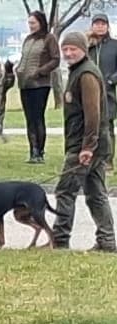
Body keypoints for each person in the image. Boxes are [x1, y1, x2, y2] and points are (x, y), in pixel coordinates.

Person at [51, 31, 116, 252]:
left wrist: (88, 147)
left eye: (73, 49)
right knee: (96, 194)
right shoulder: (77, 71)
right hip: (90, 144)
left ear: (83, 49)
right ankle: (107, 242)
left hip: (86, 146)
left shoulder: (86, 74)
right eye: (65, 49)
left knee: (65, 190)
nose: (68, 53)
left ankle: (59, 240)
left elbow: (93, 114)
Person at [15, 10, 60, 164]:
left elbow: (55, 60)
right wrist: (18, 69)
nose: (31, 26)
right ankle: (32, 150)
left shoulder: (49, 38)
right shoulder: (27, 39)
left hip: (40, 85)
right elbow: (24, 58)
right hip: (25, 84)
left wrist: (40, 72)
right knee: (29, 119)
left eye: (33, 23)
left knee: (37, 118)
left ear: (41, 22)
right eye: (29, 23)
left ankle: (39, 151)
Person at [88, 12, 117, 164]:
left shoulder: (114, 45)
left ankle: (108, 160)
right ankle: (91, 157)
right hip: (89, 92)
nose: (99, 27)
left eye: (102, 24)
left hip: (108, 93)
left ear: (107, 26)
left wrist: (111, 80)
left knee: (107, 127)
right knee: (91, 126)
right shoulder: (88, 46)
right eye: (97, 24)